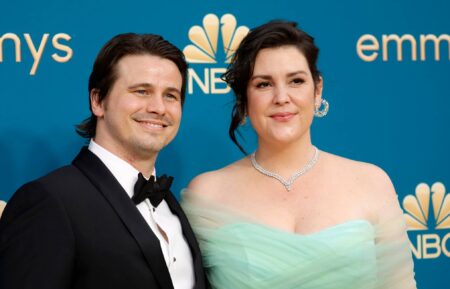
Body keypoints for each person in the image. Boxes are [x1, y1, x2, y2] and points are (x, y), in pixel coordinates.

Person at [182, 21, 417, 289]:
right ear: (243, 101)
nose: (282, 97)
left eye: (296, 81)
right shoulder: (207, 194)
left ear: (317, 90)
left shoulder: (371, 183)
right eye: (263, 84)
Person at [0, 33, 207, 289]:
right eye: (142, 91)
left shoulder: (171, 205)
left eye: (171, 95)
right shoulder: (50, 200)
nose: (159, 107)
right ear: (98, 101)